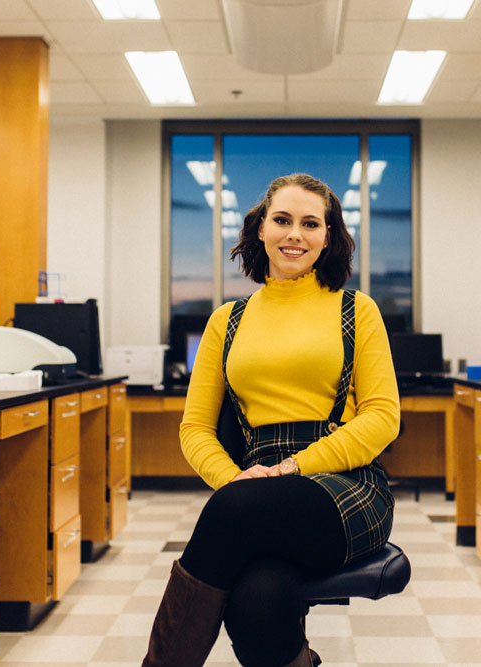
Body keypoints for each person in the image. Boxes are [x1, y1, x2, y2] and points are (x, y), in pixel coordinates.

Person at [143, 173, 400, 667]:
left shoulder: (356, 310)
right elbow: (194, 428)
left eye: (310, 223)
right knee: (255, 602)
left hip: (345, 486)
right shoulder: (228, 320)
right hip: (253, 489)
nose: (294, 234)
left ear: (329, 237)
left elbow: (383, 417)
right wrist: (236, 480)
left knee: (234, 515)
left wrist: (286, 472)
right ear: (261, 227)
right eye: (282, 220)